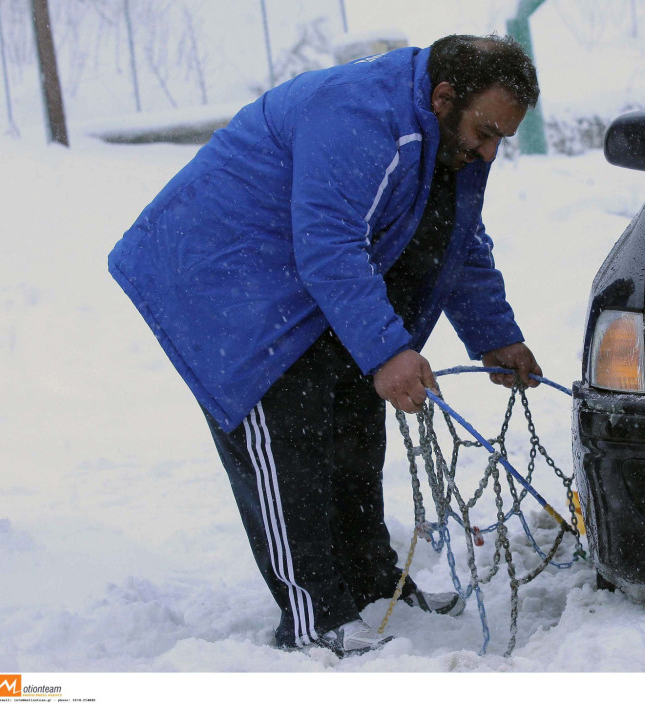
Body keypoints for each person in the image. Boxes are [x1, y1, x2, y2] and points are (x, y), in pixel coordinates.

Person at [108, 34, 543, 657]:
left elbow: (454, 235)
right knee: (290, 445)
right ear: (444, 97)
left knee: (353, 428)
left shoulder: (449, 138)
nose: (491, 150)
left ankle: (370, 587)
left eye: (504, 137)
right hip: (222, 279)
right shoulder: (362, 113)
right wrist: (388, 351)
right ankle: (314, 616)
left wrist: (495, 334)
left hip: (298, 278)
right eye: (486, 131)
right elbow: (330, 242)